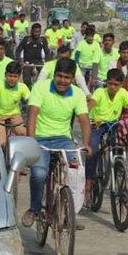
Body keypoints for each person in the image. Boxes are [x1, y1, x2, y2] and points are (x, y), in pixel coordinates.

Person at [24, 58, 92, 227]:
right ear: (54, 75)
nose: (63, 81)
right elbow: (32, 115)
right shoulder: (41, 87)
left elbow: (84, 120)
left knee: (76, 169)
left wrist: (86, 143)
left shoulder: (77, 94)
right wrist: (31, 140)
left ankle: (71, 213)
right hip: (40, 138)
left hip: (63, 140)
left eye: (67, 77)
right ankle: (34, 209)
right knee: (39, 174)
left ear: (72, 79)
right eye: (59, 76)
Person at [86, 68, 128, 201]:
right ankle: (88, 185)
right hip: (97, 124)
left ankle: (119, 166)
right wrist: (85, 113)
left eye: (116, 84)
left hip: (113, 124)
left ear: (121, 84)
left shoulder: (123, 93)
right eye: (110, 83)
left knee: (119, 145)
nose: (112, 87)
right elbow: (92, 103)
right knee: (93, 152)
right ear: (106, 82)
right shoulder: (100, 92)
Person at [0, 62, 31, 148]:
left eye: (15, 77)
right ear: (5, 75)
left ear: (19, 77)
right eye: (10, 76)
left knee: (24, 133)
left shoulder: (22, 87)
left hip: (14, 114)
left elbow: (30, 101)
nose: (12, 79)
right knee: (1, 143)